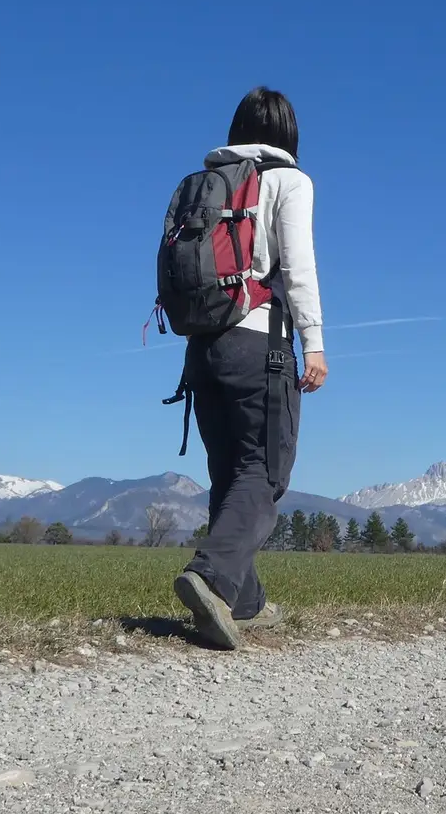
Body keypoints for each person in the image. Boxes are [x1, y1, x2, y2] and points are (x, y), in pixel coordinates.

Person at [172, 86, 327, 649]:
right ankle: (210, 576)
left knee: (230, 476)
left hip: (202, 349)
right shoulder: (289, 181)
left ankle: (245, 602)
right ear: (289, 135)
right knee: (263, 475)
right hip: (259, 346)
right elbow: (299, 267)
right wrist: (315, 344)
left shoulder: (206, 185)